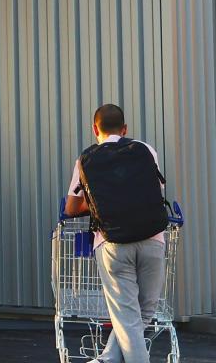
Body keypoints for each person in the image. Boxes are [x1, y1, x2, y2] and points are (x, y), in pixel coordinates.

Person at [65, 104, 170, 363]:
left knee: (127, 316)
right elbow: (155, 191)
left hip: (112, 244)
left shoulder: (85, 160)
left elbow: (70, 207)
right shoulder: (146, 151)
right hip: (152, 239)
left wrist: (102, 199)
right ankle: (106, 360)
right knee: (143, 312)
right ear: (124, 130)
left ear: (94, 129)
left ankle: (107, 360)